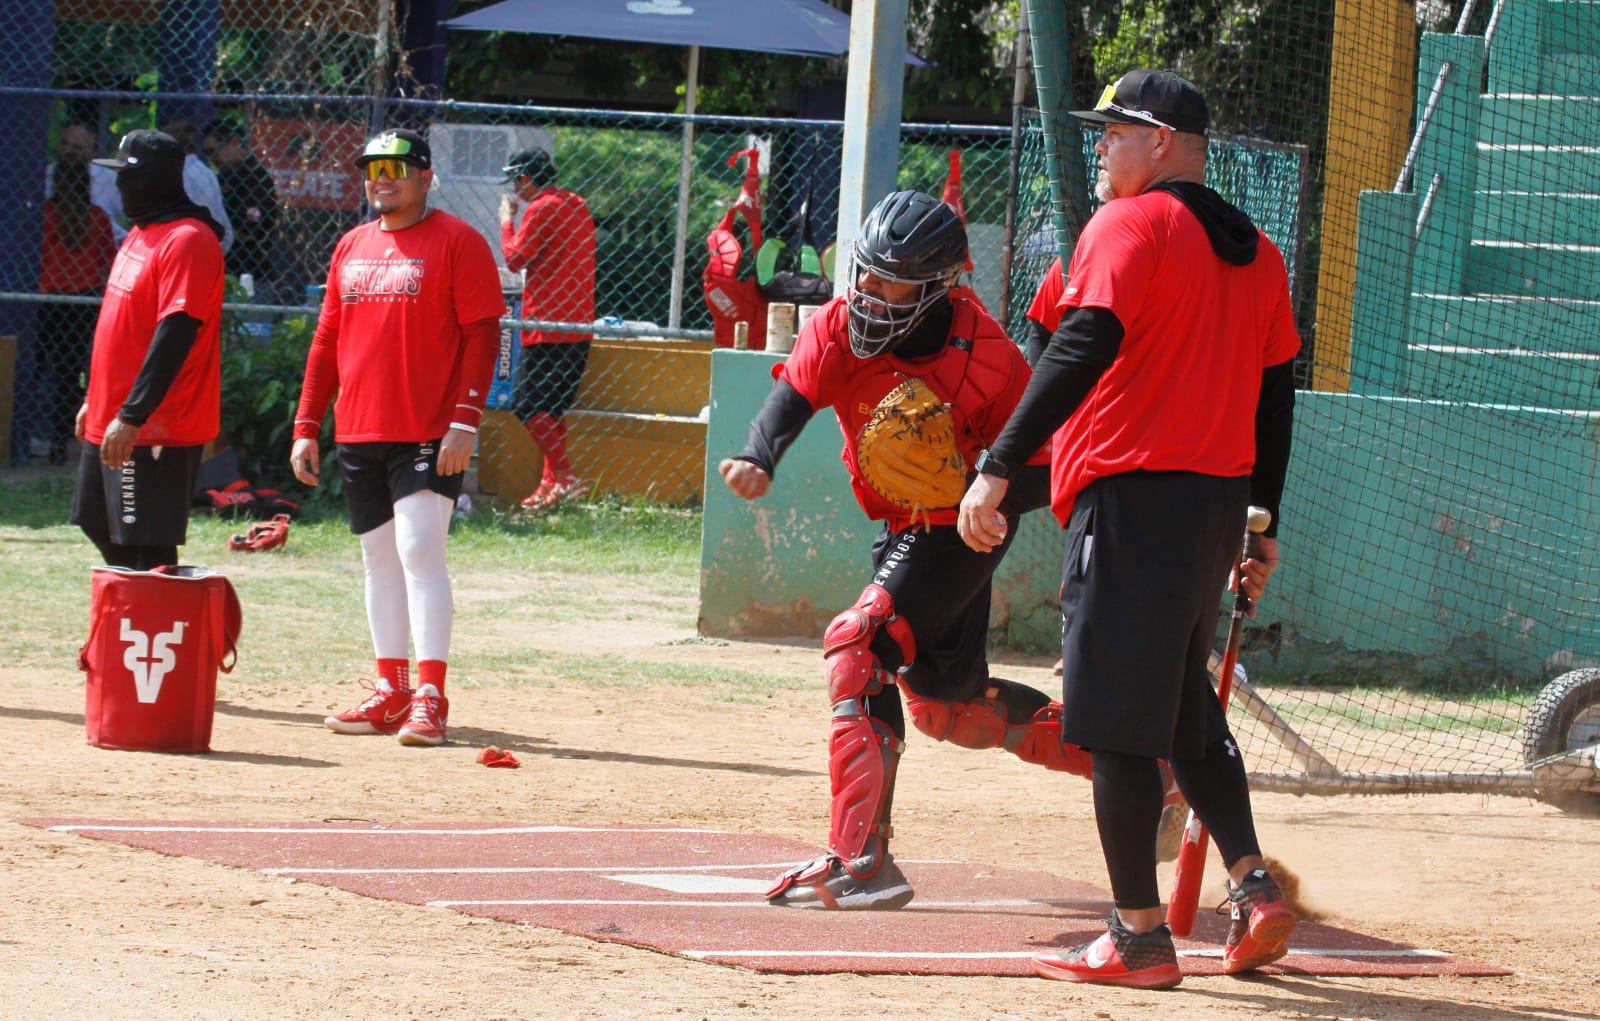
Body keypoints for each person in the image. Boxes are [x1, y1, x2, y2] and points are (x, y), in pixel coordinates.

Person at [957, 69, 1300, 988]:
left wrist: (996, 466)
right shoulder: (1258, 253)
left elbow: (1082, 343)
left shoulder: (1129, 224)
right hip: (1215, 506)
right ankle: (1255, 885)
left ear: (1162, 141)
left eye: (1116, 131)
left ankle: (1138, 936)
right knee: (1187, 712)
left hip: (1133, 500)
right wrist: (1261, 525)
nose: (1102, 146)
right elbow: (1276, 400)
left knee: (1113, 727)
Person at [721, 189, 1103, 910]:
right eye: (865, 273)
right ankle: (1131, 766)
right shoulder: (838, 326)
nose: (867, 293)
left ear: (939, 288)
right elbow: (795, 394)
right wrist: (759, 454)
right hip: (903, 529)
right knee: (945, 708)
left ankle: (860, 861)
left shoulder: (986, 354)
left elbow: (1049, 463)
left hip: (961, 528)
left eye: (890, 281)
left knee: (858, 642)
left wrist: (989, 496)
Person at [291, 129, 506, 748]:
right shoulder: (351, 245)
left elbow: (482, 336)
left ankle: (431, 697)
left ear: (425, 177)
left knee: (418, 551)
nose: (382, 177)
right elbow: (327, 341)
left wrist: (465, 421)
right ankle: (392, 691)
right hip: (360, 426)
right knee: (377, 558)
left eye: (397, 166)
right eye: (372, 168)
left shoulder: (458, 242)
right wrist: (307, 424)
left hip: (429, 428)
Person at [69, 129, 226, 570]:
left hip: (155, 423)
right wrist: (92, 398)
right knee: (95, 518)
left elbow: (177, 331)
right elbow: (119, 326)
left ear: (157, 181)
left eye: (130, 178)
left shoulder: (188, 239)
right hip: (111, 410)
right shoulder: (143, 232)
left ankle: (158, 626)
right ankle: (133, 620)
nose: (121, 188)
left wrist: (133, 414)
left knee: (148, 544)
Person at [497, 147, 596, 512]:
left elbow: (515, 258)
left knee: (526, 404)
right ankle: (549, 484)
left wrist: (507, 220)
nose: (515, 189)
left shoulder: (540, 207)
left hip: (546, 324)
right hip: (577, 323)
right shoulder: (577, 204)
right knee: (552, 410)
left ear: (525, 179)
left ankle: (566, 476)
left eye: (515, 181)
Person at [38, 124, 117, 463]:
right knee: (71, 373)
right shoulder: (97, 218)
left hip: (46, 301)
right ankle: (60, 443)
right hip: (82, 303)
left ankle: (28, 435)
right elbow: (106, 263)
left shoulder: (42, 214)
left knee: (37, 367)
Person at [207, 121, 281, 293]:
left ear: (233, 142)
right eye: (207, 153)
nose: (212, 158)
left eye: (214, 150)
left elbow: (251, 230)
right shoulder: (220, 178)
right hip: (224, 270)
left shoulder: (255, 177)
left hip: (252, 273)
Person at [159, 118, 234, 255]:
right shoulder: (206, 172)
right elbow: (227, 232)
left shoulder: (178, 174)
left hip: (185, 250)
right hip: (207, 247)